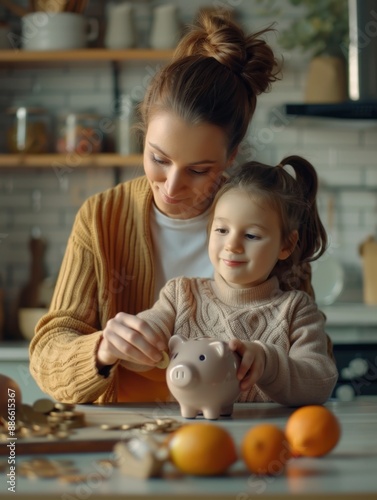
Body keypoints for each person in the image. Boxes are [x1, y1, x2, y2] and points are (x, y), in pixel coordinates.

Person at [29, 11, 324, 404]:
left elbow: (312, 365)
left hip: (241, 440)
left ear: (231, 156)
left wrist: (267, 363)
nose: (171, 187)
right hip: (129, 438)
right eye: (158, 158)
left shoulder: (265, 220)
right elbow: (47, 353)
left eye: (199, 170)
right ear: (143, 132)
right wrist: (102, 349)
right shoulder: (102, 217)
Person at [119, 156, 338, 406]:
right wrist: (130, 341)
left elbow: (320, 382)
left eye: (252, 235)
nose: (232, 246)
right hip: (195, 439)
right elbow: (136, 352)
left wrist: (268, 363)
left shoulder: (297, 310)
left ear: (286, 244)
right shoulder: (180, 295)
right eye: (222, 230)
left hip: (268, 440)